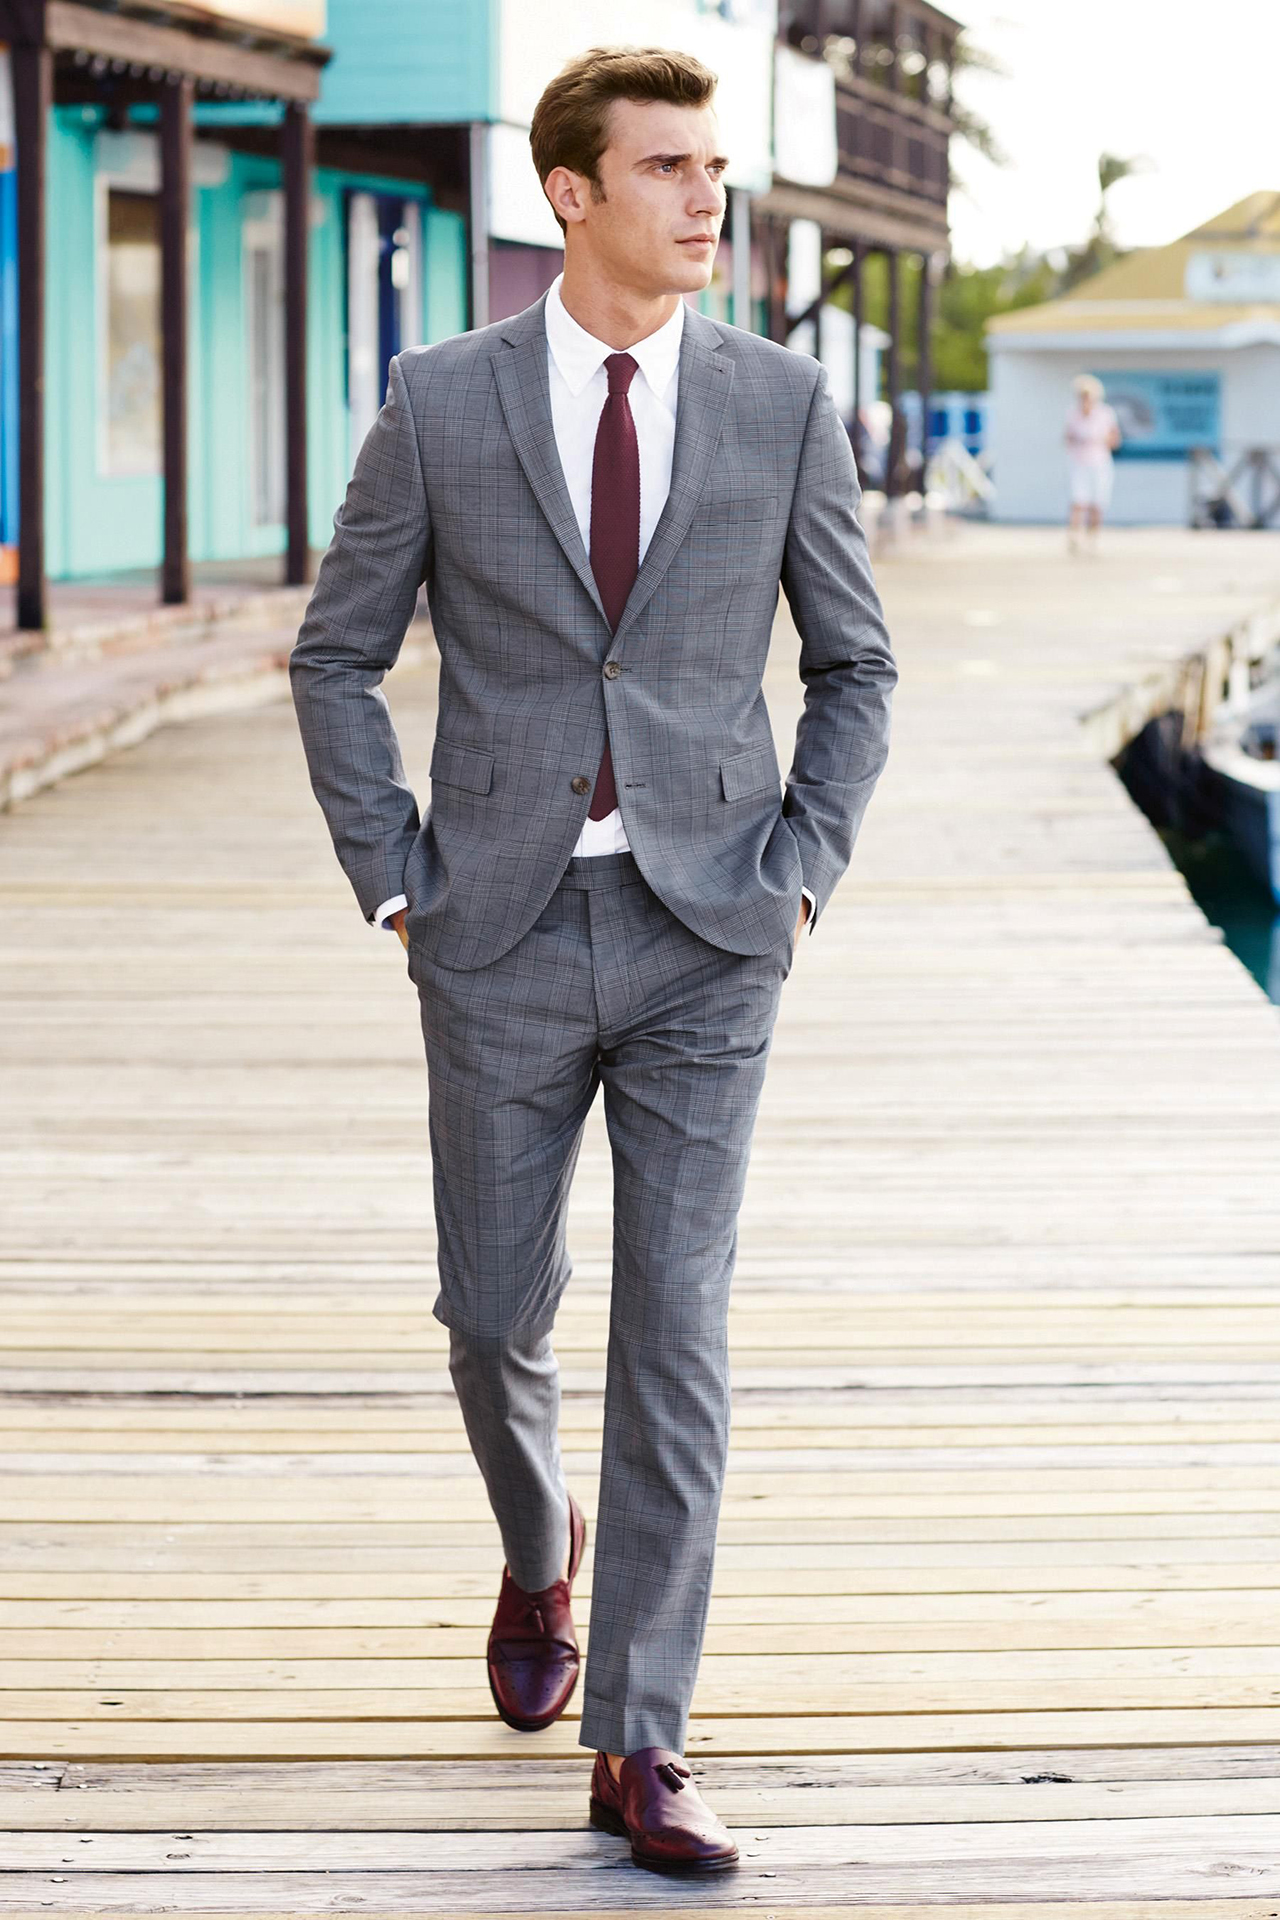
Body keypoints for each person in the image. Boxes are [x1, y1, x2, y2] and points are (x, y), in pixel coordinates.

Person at [289, 43, 896, 1878]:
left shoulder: (784, 403)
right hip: (496, 923)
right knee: (494, 1312)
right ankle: (533, 1540)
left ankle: (644, 1737)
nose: (710, 199)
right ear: (571, 193)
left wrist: (800, 878)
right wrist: (396, 881)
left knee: (676, 1327)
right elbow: (336, 656)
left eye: (717, 169)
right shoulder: (443, 398)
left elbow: (855, 668)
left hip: (715, 926)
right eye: (669, 170)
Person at [1065, 372, 1121, 553]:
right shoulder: (1072, 413)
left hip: (1099, 462)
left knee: (1098, 502)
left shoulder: (1105, 413)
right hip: (1079, 462)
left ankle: (1093, 537)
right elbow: (1067, 437)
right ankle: (1074, 536)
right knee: (1078, 501)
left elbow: (1115, 440)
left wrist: (1100, 441)